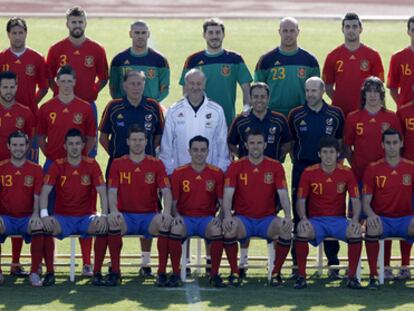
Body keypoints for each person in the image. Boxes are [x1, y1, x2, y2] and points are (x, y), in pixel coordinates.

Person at [100, 70, 164, 276]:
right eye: (132, 84)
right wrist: (119, 157)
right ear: (124, 86)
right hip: (118, 168)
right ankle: (113, 262)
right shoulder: (113, 107)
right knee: (114, 212)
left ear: (144, 85)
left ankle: (146, 263)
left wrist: (144, 156)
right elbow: (103, 137)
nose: (136, 87)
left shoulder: (153, 107)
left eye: (140, 84)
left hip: (147, 169)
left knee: (149, 207)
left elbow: (158, 136)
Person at [344, 77, 406, 279]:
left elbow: (397, 145)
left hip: (385, 180)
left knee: (383, 219)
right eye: (368, 91)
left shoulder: (392, 117)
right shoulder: (354, 117)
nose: (372, 95)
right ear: (364, 94)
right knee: (356, 221)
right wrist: (355, 165)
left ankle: (386, 266)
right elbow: (347, 146)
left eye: (376, 91)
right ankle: (354, 267)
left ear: (381, 94)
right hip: (360, 177)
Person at [0, 17, 48, 275]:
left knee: (21, 197)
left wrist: (31, 101)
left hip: (21, 145)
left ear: (26, 33)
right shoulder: (1, 58)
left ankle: (18, 260)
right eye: (14, 32)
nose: (18, 35)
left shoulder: (36, 58)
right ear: (8, 35)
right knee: (5, 201)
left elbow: (46, 85)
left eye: (21, 31)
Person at [37, 64, 96, 275]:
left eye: (70, 81)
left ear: (75, 82)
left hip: (79, 166)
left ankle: (87, 262)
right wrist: (50, 156)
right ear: (57, 82)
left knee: (85, 210)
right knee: (49, 212)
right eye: (62, 81)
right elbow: (40, 137)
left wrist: (80, 157)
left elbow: (90, 137)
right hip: (53, 164)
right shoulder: (46, 108)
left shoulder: (85, 107)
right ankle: (47, 263)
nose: (66, 85)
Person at [228, 81, 291, 276]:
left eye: (262, 96)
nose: (259, 100)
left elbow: (288, 142)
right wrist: (243, 158)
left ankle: (274, 267)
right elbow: (231, 143)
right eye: (255, 96)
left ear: (268, 98)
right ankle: (243, 261)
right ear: (250, 98)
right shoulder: (242, 120)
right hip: (247, 174)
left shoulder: (279, 120)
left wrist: (277, 159)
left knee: (268, 213)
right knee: (245, 209)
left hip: (272, 175)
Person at [101, 125, 173, 286]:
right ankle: (115, 272)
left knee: (165, 224)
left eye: (141, 140)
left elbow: (166, 191)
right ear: (128, 142)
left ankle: (161, 273)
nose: (137, 143)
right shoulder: (118, 164)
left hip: (149, 215)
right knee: (113, 223)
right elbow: (111, 191)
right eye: (134, 140)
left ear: (147, 141)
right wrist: (113, 211)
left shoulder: (156, 164)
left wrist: (167, 212)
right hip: (125, 216)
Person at [288, 77, 344, 279]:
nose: (310, 94)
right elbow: (292, 143)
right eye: (307, 90)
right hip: (302, 169)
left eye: (314, 90)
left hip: (329, 170)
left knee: (331, 213)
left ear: (322, 91)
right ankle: (297, 266)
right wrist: (302, 163)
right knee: (299, 216)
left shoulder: (336, 114)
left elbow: (340, 142)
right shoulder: (296, 114)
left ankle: (333, 264)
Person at [222, 128, 293, 286]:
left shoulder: (275, 166)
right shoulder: (236, 166)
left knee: (285, 229)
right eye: (252, 143)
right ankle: (234, 272)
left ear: (265, 145)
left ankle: (276, 273)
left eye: (259, 143)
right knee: (229, 228)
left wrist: (288, 216)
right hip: (243, 219)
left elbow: (283, 194)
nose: (256, 146)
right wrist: (227, 215)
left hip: (267, 220)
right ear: (246, 145)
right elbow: (228, 195)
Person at [39, 128, 108, 286]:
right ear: (65, 146)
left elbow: (103, 192)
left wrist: (104, 215)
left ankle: (96, 272)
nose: (74, 147)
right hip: (63, 217)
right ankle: (50, 272)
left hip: (86, 217)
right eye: (71, 144)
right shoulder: (57, 165)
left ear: (83, 145)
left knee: (103, 226)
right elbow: (44, 192)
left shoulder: (92, 164)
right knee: (45, 227)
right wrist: (44, 215)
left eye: (77, 143)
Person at [294, 136, 363, 289]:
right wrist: (303, 218)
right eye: (324, 152)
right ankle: (301, 277)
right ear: (319, 154)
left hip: (338, 220)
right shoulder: (308, 172)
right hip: (316, 221)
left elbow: (356, 199)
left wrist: (355, 220)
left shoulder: (346, 172)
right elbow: (300, 200)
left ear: (338, 154)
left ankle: (352, 277)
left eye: (331, 152)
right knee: (301, 230)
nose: (328, 156)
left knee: (356, 233)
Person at [157, 135, 225, 287]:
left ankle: (214, 274)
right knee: (176, 227)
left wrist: (220, 217)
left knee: (216, 229)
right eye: (195, 150)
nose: (199, 153)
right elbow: (173, 201)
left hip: (206, 219)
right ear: (189, 151)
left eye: (202, 150)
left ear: (208, 152)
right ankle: (175, 273)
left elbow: (222, 201)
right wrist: (177, 215)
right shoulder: (179, 172)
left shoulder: (217, 173)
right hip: (186, 218)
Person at [46, 6, 108, 158]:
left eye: (80, 22)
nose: (77, 25)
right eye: (73, 22)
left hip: (87, 105)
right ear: (67, 24)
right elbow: (49, 77)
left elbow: (104, 77)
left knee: (88, 150)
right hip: (61, 107)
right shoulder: (56, 49)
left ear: (85, 23)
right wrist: (59, 93)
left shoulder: (97, 49)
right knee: (60, 149)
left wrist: (92, 91)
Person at [363, 128, 414, 289]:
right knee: (372, 226)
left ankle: (405, 267)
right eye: (388, 143)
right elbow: (366, 201)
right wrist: (370, 215)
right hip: (382, 218)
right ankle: (376, 273)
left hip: (405, 218)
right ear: (382, 145)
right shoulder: (373, 168)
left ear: (401, 143)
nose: (392, 146)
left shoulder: (411, 167)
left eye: (395, 142)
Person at [179, 18, 252, 125]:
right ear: (204, 35)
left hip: (226, 119)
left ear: (223, 35)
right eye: (210, 33)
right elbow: (186, 91)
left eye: (218, 32)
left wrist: (247, 107)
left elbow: (246, 88)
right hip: (199, 119)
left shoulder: (235, 59)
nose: (214, 36)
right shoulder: (192, 60)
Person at [160, 69, 230, 176]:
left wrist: (220, 172)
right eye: (191, 83)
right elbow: (166, 146)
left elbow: (222, 145)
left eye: (199, 83)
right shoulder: (174, 110)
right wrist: (170, 173)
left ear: (204, 85)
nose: (195, 87)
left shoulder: (217, 110)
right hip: (180, 174)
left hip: (209, 176)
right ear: (186, 85)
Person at [0, 131, 44, 286]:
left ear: (27, 147)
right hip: (6, 218)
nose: (18, 148)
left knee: (38, 226)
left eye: (21, 145)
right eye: (14, 145)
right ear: (8, 146)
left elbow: (37, 196)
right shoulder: (1, 168)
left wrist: (35, 215)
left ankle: (34, 272)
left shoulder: (36, 169)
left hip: (27, 218)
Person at [255, 17, 320, 117]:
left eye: (292, 31)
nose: (288, 34)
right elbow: (257, 90)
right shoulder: (265, 60)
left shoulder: (310, 60)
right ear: (279, 32)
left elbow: (316, 92)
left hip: (301, 114)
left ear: (298, 32)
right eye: (285, 31)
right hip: (272, 114)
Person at [323, 12, 384, 117]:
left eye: (355, 26)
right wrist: (339, 100)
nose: (351, 30)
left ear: (360, 29)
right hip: (340, 112)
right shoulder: (332, 56)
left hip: (365, 111)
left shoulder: (373, 55)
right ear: (342, 29)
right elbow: (327, 86)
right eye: (347, 27)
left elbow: (379, 87)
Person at [109, 20, 170, 103]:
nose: (140, 36)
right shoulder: (118, 60)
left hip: (150, 110)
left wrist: (152, 105)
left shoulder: (160, 60)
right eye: (137, 33)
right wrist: (123, 104)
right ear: (130, 34)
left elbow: (165, 89)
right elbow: (113, 88)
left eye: (143, 33)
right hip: (125, 110)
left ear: (148, 34)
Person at [387, 16, 414, 108]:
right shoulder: (397, 57)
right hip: (404, 114)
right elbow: (393, 88)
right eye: (413, 30)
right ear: (408, 32)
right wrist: (403, 106)